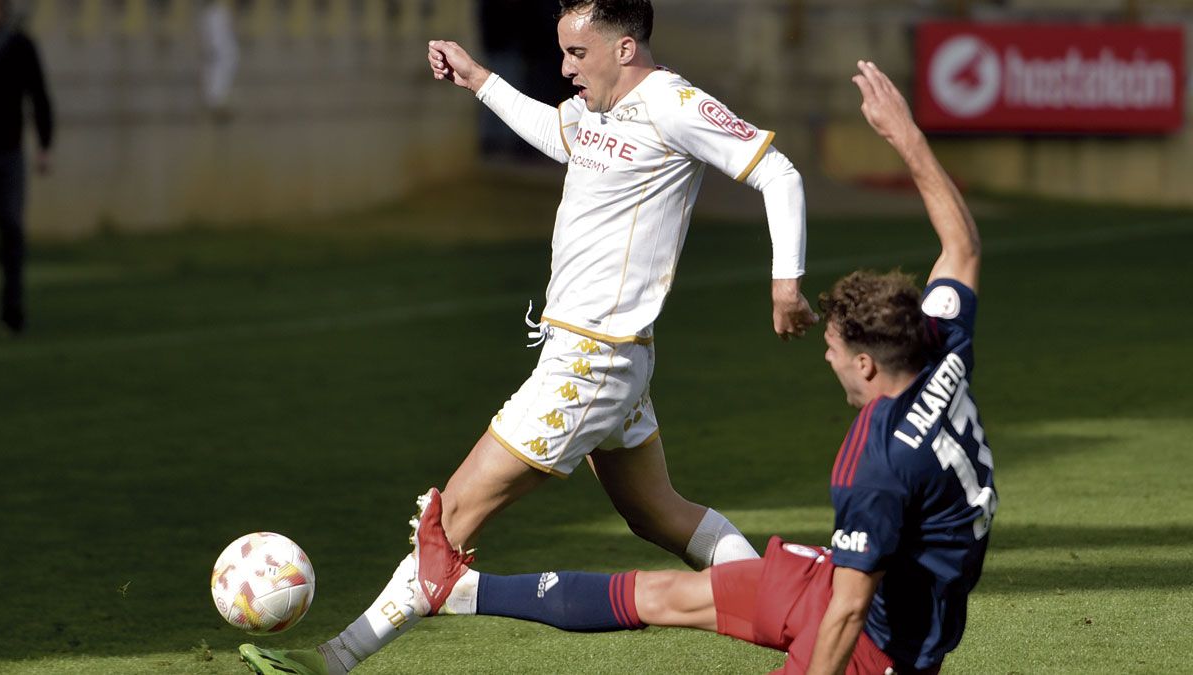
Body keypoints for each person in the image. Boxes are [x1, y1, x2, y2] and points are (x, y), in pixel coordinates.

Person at [244, 60, 996, 675]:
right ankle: (462, 592)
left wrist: (791, 268)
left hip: (870, 645)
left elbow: (849, 613)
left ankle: (338, 657)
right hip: (814, 564)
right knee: (663, 550)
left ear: (867, 363)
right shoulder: (938, 351)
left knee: (455, 516)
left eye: (832, 350)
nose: (822, 354)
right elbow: (959, 247)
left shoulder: (876, 465)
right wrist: (905, 134)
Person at [0, 0, 52, 336]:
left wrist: (44, 146)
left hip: (9, 154)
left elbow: (39, 95)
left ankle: (12, 312)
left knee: (12, 230)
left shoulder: (19, 46)